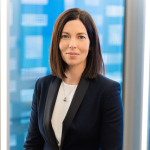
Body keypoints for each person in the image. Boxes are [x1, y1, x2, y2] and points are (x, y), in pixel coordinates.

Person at [23, 8, 124, 150]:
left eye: (81, 37)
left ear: (91, 44)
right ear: (57, 42)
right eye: (65, 36)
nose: (72, 44)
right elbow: (32, 144)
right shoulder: (42, 85)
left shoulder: (107, 91)